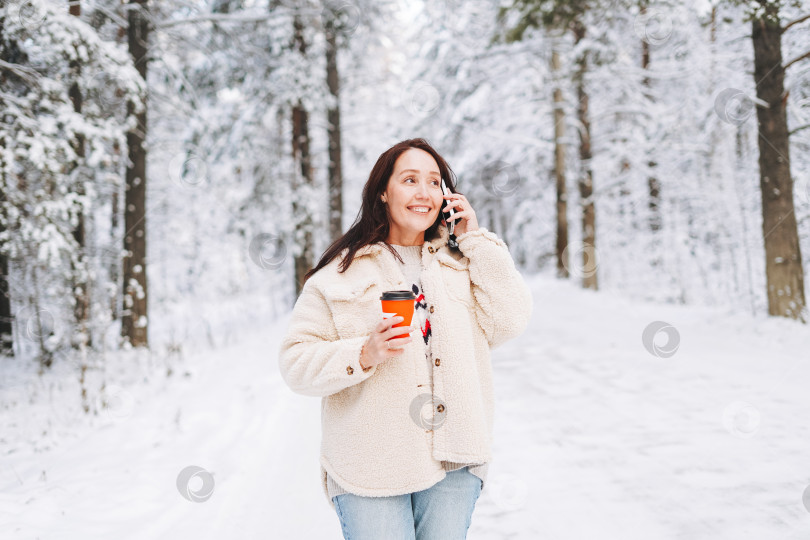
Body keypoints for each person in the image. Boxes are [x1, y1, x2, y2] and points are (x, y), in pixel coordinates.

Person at [278, 138, 532, 539]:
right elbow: (295, 364)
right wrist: (363, 353)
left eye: (434, 182)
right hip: (370, 467)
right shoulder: (341, 274)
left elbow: (511, 318)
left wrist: (475, 239)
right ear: (383, 191)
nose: (424, 193)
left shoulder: (461, 264)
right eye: (410, 180)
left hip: (455, 459)